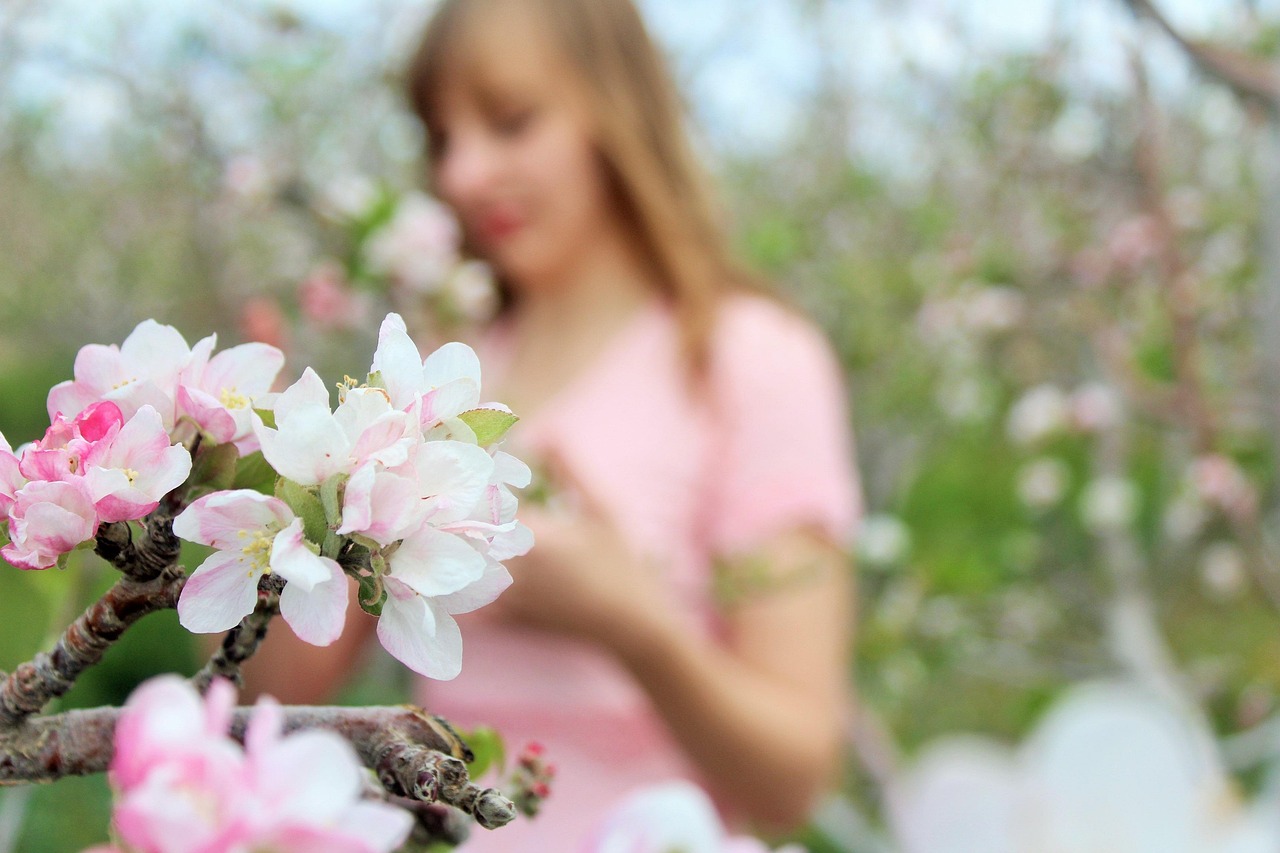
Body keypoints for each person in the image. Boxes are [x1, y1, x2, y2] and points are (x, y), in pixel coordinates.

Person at [244, 0, 862, 847]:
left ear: (616, 111)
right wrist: (287, 477)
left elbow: (794, 775)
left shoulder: (747, 356)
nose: (460, 174)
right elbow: (276, 699)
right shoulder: (439, 369)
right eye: (442, 138)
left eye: (510, 121)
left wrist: (634, 623)